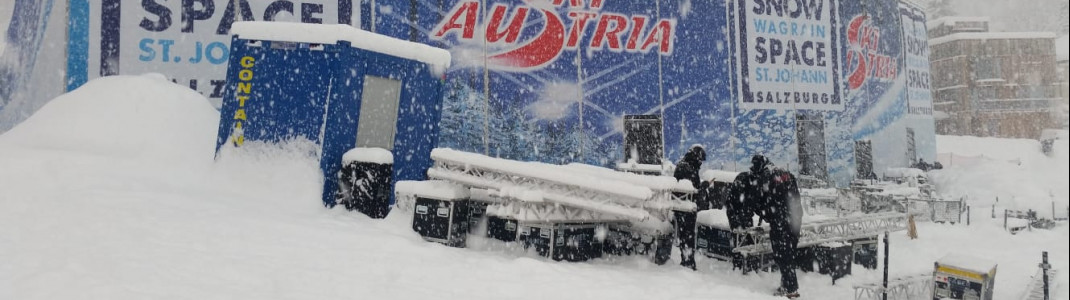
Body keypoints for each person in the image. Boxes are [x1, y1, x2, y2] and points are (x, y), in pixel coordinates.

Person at [748, 155, 802, 298]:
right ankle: (787, 286)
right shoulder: (786, 173)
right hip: (795, 219)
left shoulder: (765, 177)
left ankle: (791, 289)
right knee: (789, 253)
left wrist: (761, 212)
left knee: (782, 255)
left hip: (780, 221)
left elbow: (763, 203)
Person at [672, 145, 710, 270]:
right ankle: (688, 262)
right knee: (688, 235)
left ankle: (687, 260)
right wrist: (703, 187)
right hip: (686, 207)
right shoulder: (688, 168)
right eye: (700, 161)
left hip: (681, 206)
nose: (700, 164)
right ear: (696, 158)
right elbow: (693, 189)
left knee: (685, 235)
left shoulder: (684, 165)